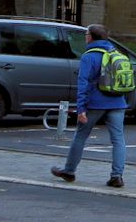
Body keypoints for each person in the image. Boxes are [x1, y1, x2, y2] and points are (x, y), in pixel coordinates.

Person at [50, 23, 128, 187]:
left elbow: (83, 84)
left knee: (80, 136)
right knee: (118, 140)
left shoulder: (89, 56)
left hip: (94, 104)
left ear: (90, 37)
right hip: (117, 102)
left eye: (86, 34)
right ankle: (117, 176)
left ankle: (69, 171)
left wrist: (81, 109)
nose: (85, 37)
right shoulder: (116, 53)